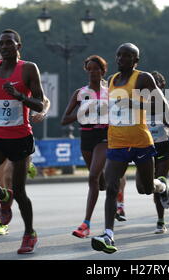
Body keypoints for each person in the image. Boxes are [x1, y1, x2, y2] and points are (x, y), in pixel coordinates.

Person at [91, 43, 169, 254]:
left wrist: (135, 105)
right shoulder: (110, 81)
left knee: (145, 189)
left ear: (135, 61)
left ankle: (161, 186)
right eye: (119, 55)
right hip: (117, 142)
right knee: (111, 188)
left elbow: (162, 105)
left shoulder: (143, 78)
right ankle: (108, 235)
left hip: (141, 142)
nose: (121, 59)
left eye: (127, 56)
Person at [0, 29, 45, 254]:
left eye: (9, 43)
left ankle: (29, 233)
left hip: (20, 138)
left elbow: (39, 104)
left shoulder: (28, 68)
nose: (4, 46)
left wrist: (19, 96)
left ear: (18, 46)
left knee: (21, 191)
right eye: (1, 44)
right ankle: (4, 198)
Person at [60, 55, 125, 239]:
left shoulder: (110, 92)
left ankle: (85, 224)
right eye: (89, 69)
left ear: (103, 71)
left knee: (92, 176)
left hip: (104, 136)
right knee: (100, 183)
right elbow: (64, 120)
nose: (92, 72)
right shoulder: (80, 93)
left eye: (96, 69)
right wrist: (83, 111)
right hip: (86, 137)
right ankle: (115, 191)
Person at [0, 96, 50, 236]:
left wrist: (42, 113)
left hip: (19, 138)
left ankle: (3, 224)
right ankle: (27, 166)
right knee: (1, 184)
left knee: (8, 176)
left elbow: (45, 101)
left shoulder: (23, 77)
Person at [144, 71, 169, 234]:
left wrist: (167, 121)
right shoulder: (140, 105)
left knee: (159, 179)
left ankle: (160, 221)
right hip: (147, 149)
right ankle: (163, 190)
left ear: (161, 86)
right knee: (150, 186)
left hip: (164, 147)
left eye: (156, 84)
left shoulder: (168, 105)